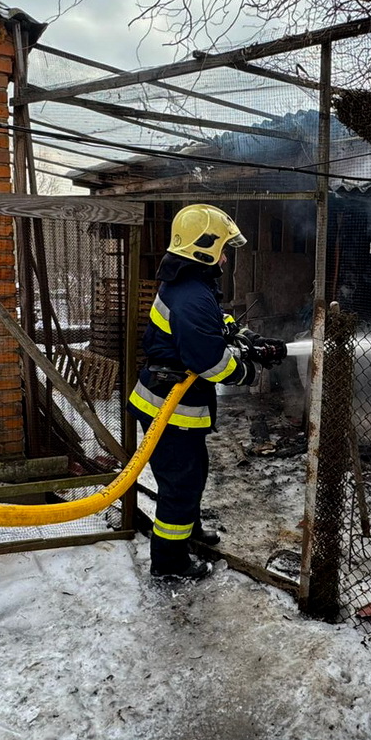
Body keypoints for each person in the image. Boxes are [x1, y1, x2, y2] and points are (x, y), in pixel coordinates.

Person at [128, 204, 286, 579]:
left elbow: (217, 321)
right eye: (222, 249)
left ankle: (187, 530)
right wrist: (249, 370)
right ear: (203, 248)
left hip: (176, 407)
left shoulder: (190, 284)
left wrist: (250, 339)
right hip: (169, 410)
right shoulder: (191, 296)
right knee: (180, 486)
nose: (226, 257)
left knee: (193, 475)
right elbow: (210, 362)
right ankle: (169, 563)